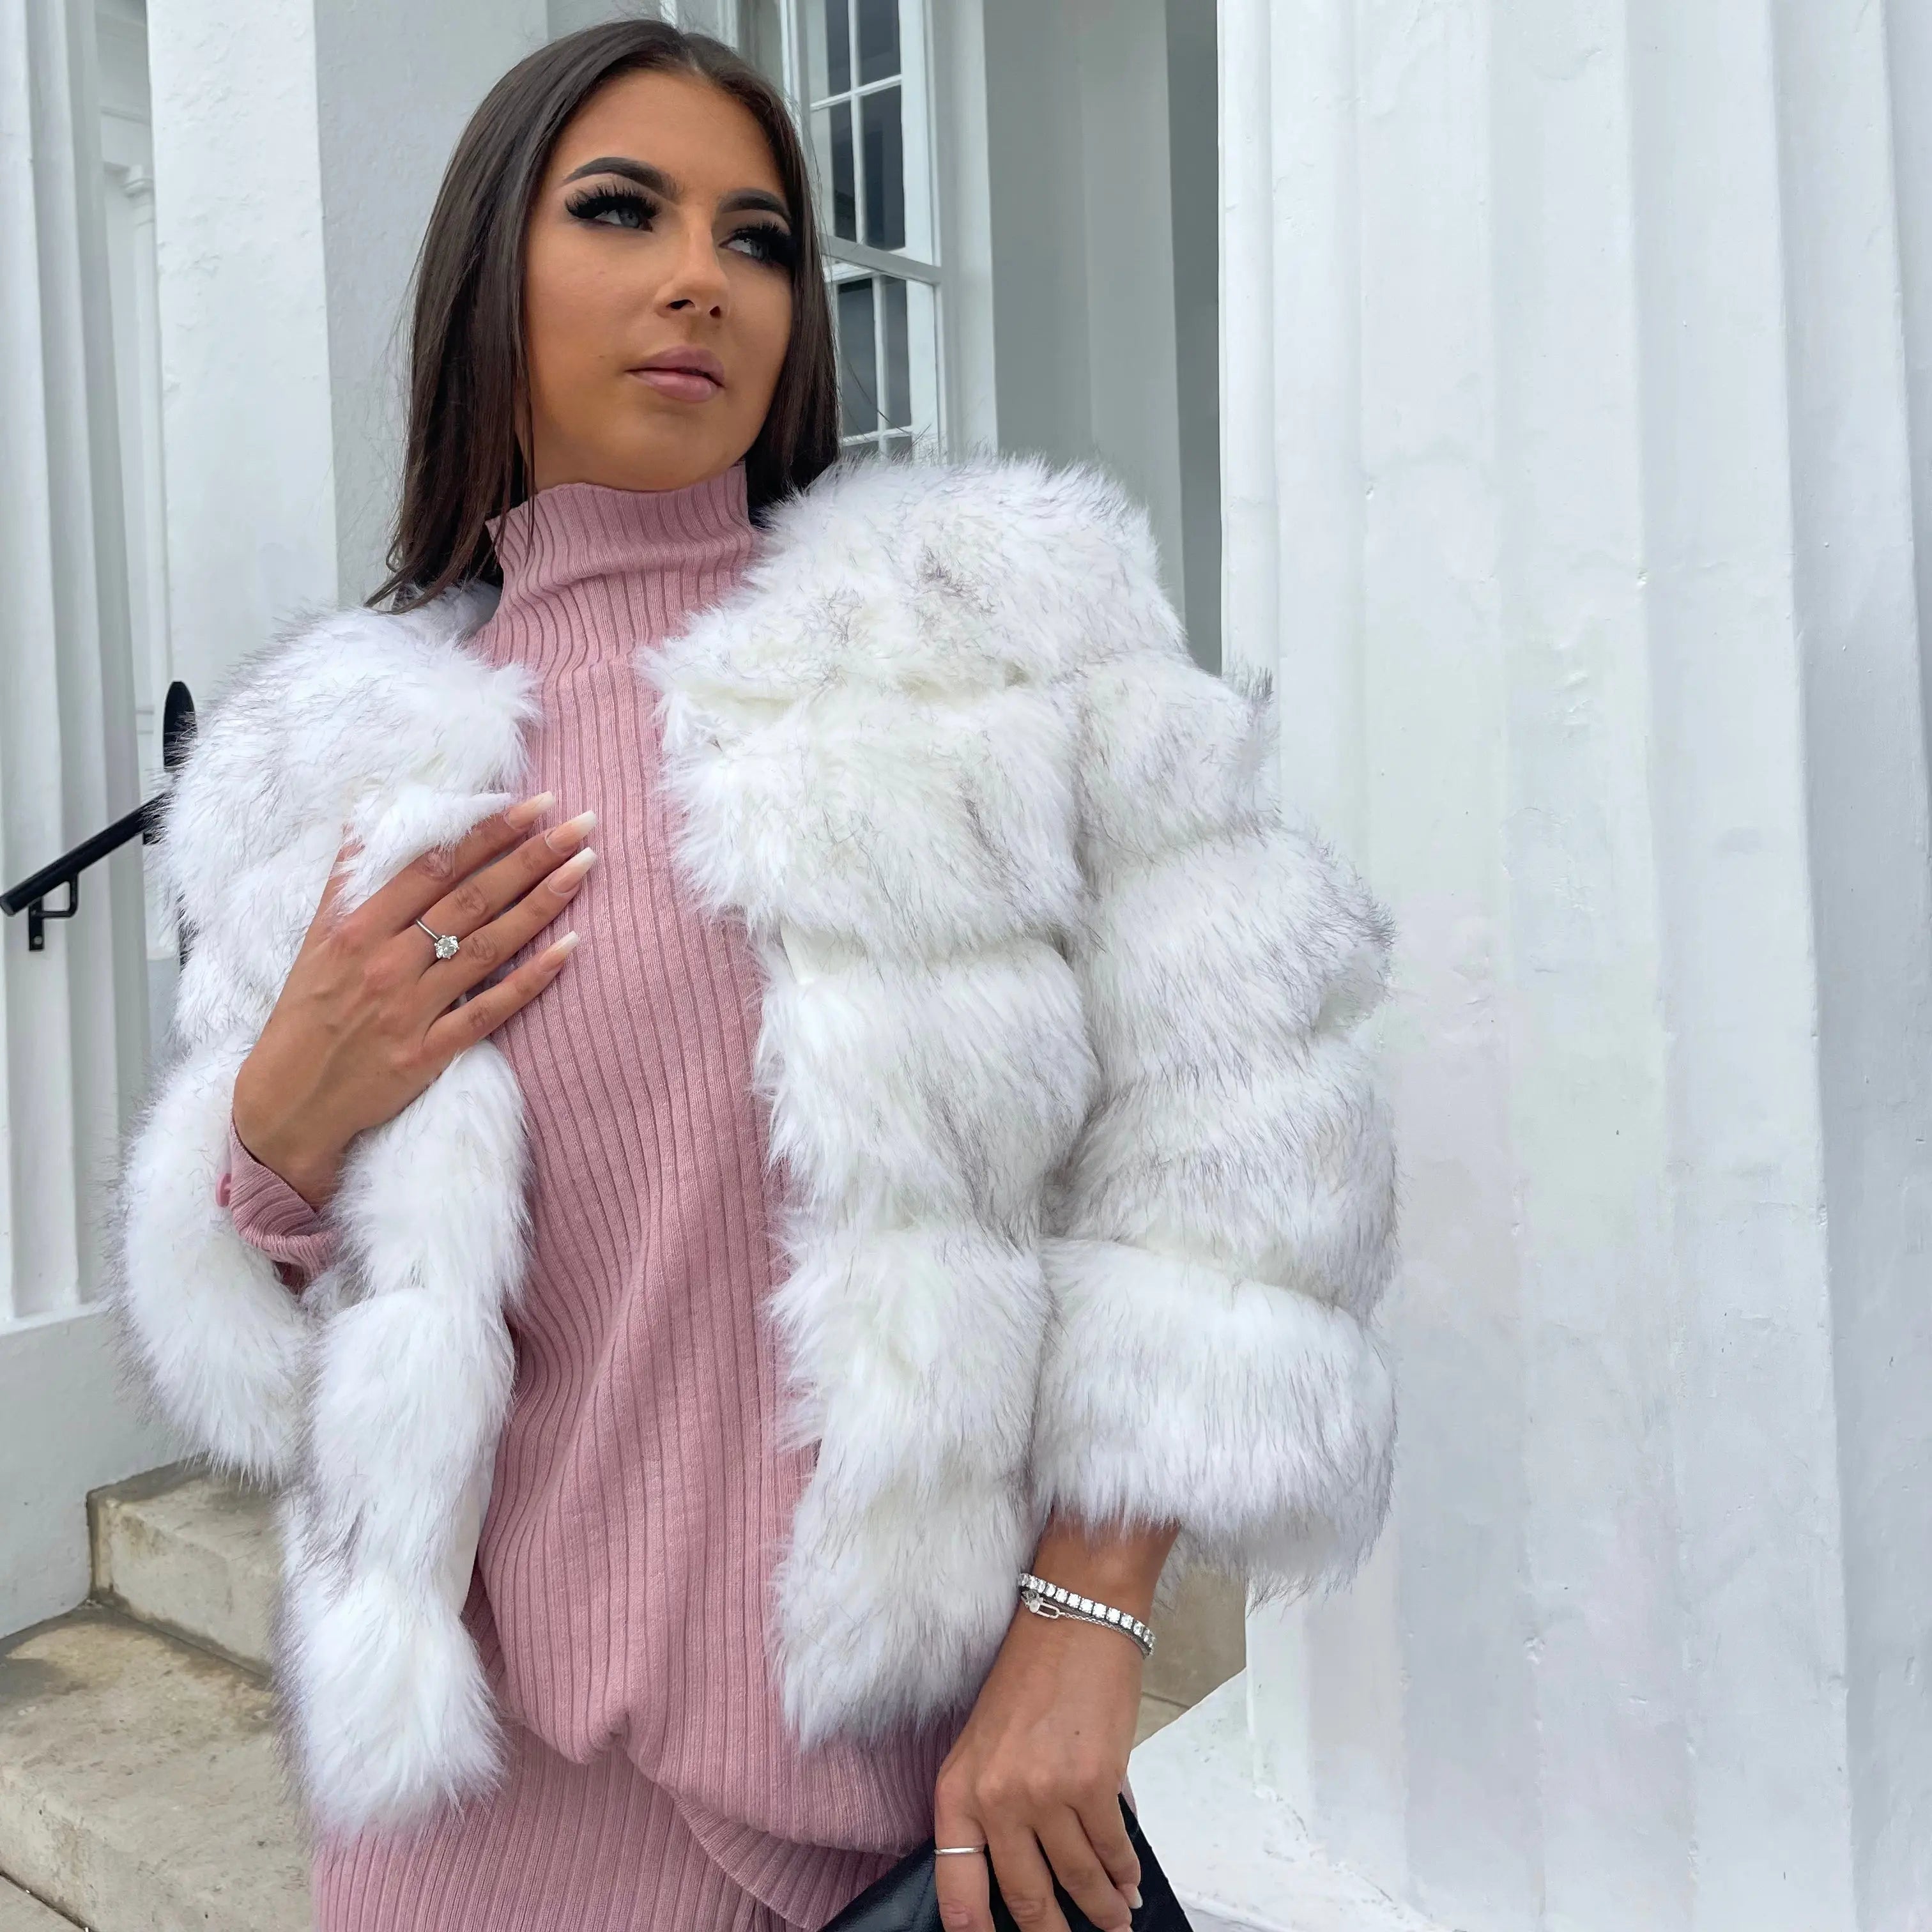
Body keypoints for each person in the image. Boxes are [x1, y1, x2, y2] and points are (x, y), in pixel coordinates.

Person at [114, 20, 1398, 1932]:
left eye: (760, 237)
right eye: (621, 211)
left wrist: (1086, 1618)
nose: (702, 276)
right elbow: (291, 1375)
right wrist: (272, 1135)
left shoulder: (985, 639)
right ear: (489, 279)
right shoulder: (319, 777)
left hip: (902, 1813)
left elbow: (1244, 1153)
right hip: (469, 1833)